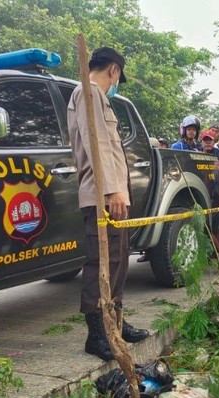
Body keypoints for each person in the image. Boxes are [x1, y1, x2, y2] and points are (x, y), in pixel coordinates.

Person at [67, 47, 148, 361]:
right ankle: (97, 334)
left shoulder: (96, 96)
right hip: (102, 194)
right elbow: (97, 144)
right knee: (101, 262)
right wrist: (113, 192)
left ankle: (115, 321)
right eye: (118, 77)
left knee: (118, 260)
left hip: (114, 193)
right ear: (114, 70)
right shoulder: (88, 94)